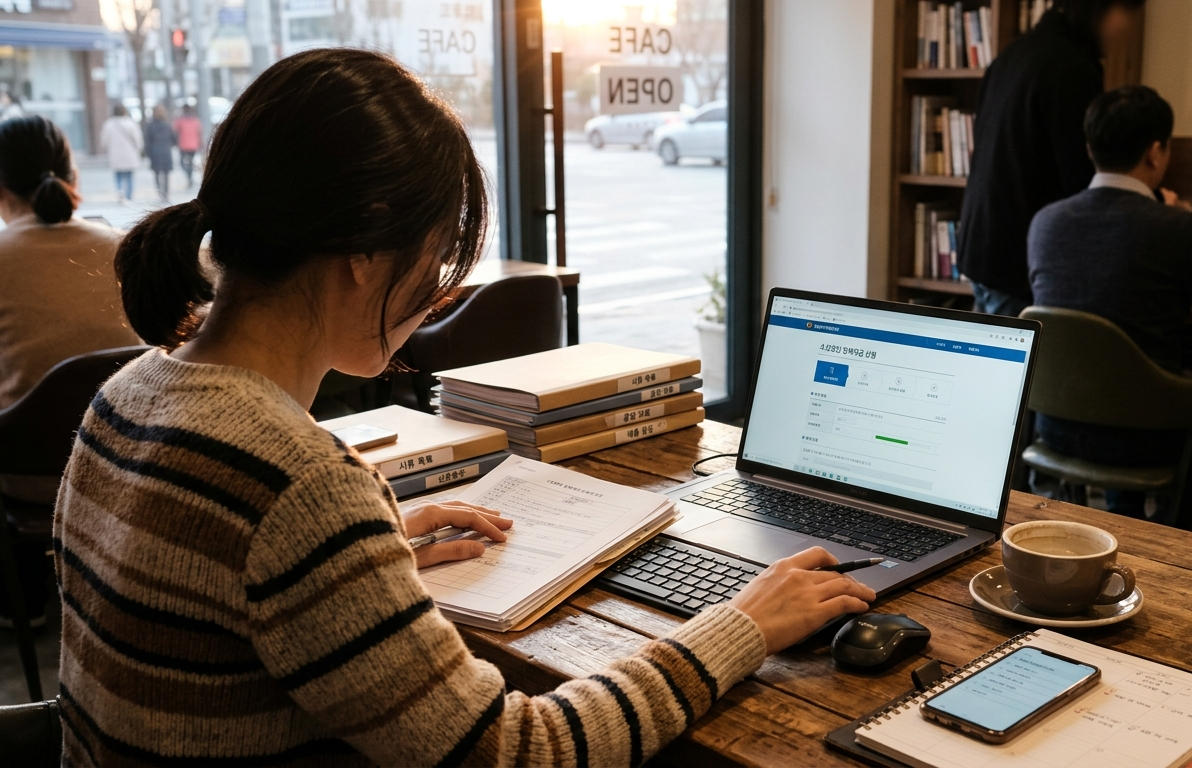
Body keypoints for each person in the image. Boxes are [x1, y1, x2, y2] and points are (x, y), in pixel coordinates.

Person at [57, 49, 875, 765]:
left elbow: (203, 617)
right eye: (439, 250)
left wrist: (360, 565)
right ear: (365, 249)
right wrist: (742, 625)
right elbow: (521, 752)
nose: (441, 286)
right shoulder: (299, 488)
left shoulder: (127, 398)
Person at [1027, 86, 1192, 518]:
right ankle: (1171, 527)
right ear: (1157, 152)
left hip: (1056, 426)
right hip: (1148, 437)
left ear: (1090, 148)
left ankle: (1127, 522)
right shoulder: (1177, 228)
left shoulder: (1045, 223)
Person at [0, 115, 140, 627]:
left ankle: (21, 600)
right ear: (71, 176)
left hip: (33, 483)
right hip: (130, 464)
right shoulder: (124, 249)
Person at [957, 0, 1146, 317]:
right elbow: (1083, 177)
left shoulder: (1012, 54)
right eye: (1123, 13)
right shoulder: (1070, 67)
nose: (1124, 28)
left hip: (982, 249)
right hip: (1021, 258)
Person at [99, 104, 143, 201]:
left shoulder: (108, 124)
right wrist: (139, 149)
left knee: (118, 174)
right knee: (129, 175)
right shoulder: (131, 123)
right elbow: (138, 140)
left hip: (115, 154)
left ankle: (120, 192)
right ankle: (129, 195)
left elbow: (104, 141)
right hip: (130, 153)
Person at [143, 104, 177, 202]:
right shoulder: (167, 125)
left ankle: (160, 193)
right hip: (166, 151)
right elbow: (174, 139)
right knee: (166, 173)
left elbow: (147, 140)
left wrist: (147, 153)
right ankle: (166, 193)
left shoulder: (150, 125)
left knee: (157, 173)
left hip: (155, 151)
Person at [172, 103, 202, 187]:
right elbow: (199, 132)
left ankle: (189, 176)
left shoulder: (180, 120)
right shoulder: (195, 120)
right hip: (193, 145)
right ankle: (190, 176)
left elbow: (174, 130)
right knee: (190, 163)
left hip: (183, 145)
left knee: (182, 163)